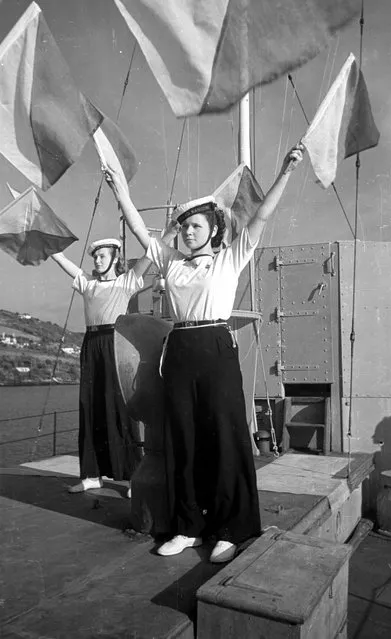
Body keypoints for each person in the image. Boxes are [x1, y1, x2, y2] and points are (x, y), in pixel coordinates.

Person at [104, 144, 304, 562]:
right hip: (178, 347)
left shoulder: (230, 258)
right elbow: (139, 228)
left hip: (215, 345)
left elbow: (260, 216)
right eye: (184, 227)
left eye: (195, 225)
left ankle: (231, 527)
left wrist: (285, 170)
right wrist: (120, 189)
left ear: (212, 229)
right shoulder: (172, 263)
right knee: (182, 439)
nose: (188, 232)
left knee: (226, 439)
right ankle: (188, 526)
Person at [51, 239, 149, 495]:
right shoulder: (88, 283)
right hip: (91, 344)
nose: (97, 260)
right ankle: (91, 475)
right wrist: (49, 246)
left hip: (115, 343)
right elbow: (64, 263)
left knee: (120, 408)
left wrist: (169, 234)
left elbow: (149, 257)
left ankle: (131, 478)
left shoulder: (125, 282)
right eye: (95, 256)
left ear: (115, 258)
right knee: (90, 406)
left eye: (103, 256)